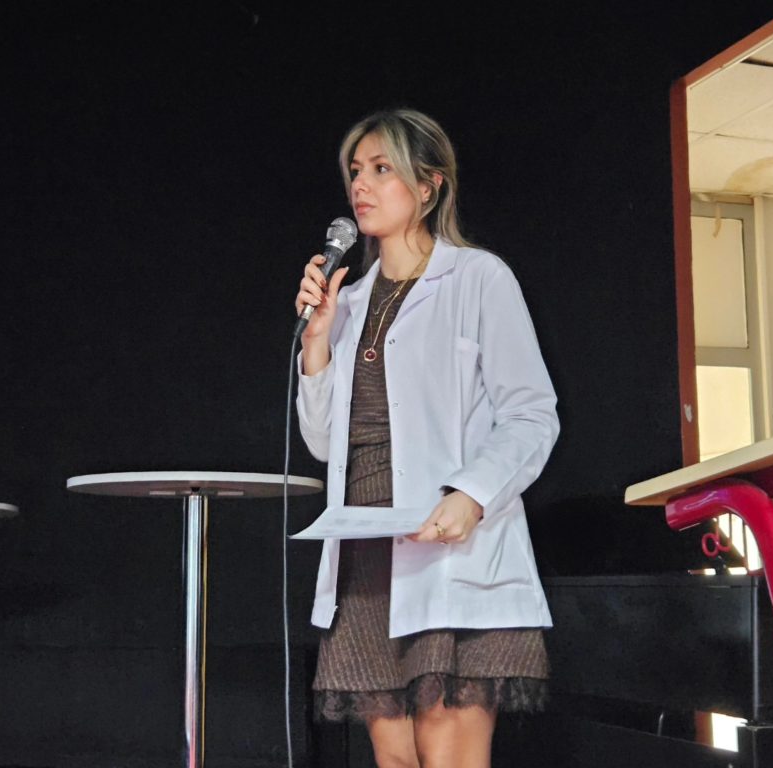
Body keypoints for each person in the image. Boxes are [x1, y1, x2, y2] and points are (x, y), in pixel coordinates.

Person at [294, 108, 559, 768]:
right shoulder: (348, 300)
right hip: (365, 550)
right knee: (395, 759)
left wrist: (472, 494)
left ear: (429, 185)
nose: (361, 184)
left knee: (447, 750)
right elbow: (325, 444)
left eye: (382, 169)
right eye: (356, 171)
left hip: (449, 540)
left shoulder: (478, 278)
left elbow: (532, 414)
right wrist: (318, 343)